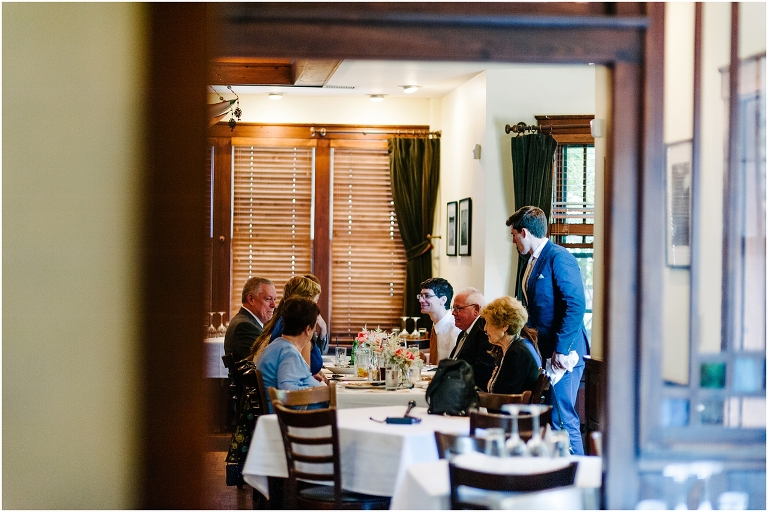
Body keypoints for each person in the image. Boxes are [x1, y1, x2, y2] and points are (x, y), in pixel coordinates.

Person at [507, 205, 589, 455]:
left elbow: (576, 305)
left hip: (565, 352)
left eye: (513, 236)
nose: (514, 242)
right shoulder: (530, 262)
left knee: (562, 418)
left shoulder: (559, 257)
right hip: (543, 350)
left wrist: (561, 349)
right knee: (550, 419)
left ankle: (581, 480)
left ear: (524, 232)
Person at [256, 296, 326, 412]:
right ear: (308, 329)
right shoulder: (289, 353)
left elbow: (287, 379)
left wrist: (307, 380)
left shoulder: (278, 345)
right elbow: (288, 393)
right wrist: (323, 390)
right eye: (314, 328)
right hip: (295, 422)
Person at [250, 276, 327, 380]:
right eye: (315, 301)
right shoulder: (298, 333)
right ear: (305, 304)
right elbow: (299, 383)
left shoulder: (281, 322)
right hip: (286, 394)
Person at [481, 296, 540, 395]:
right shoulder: (517, 347)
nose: (485, 329)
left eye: (488, 323)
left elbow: (504, 396)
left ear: (504, 326)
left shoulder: (517, 352)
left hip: (515, 410)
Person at [449, 287, 496, 391]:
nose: (453, 313)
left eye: (458, 308)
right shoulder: (464, 333)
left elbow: (482, 370)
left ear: (476, 309)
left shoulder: (485, 331)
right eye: (453, 308)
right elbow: (454, 361)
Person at [224, 277, 276, 362]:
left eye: (274, 299)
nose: (273, 305)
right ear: (251, 299)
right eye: (268, 299)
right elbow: (268, 362)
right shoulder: (244, 326)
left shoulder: (248, 322)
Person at [418, 277, 460, 364]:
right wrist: (426, 358)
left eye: (427, 296)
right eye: (421, 296)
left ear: (443, 300)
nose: (421, 300)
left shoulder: (454, 329)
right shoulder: (436, 325)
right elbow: (442, 357)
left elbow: (454, 365)